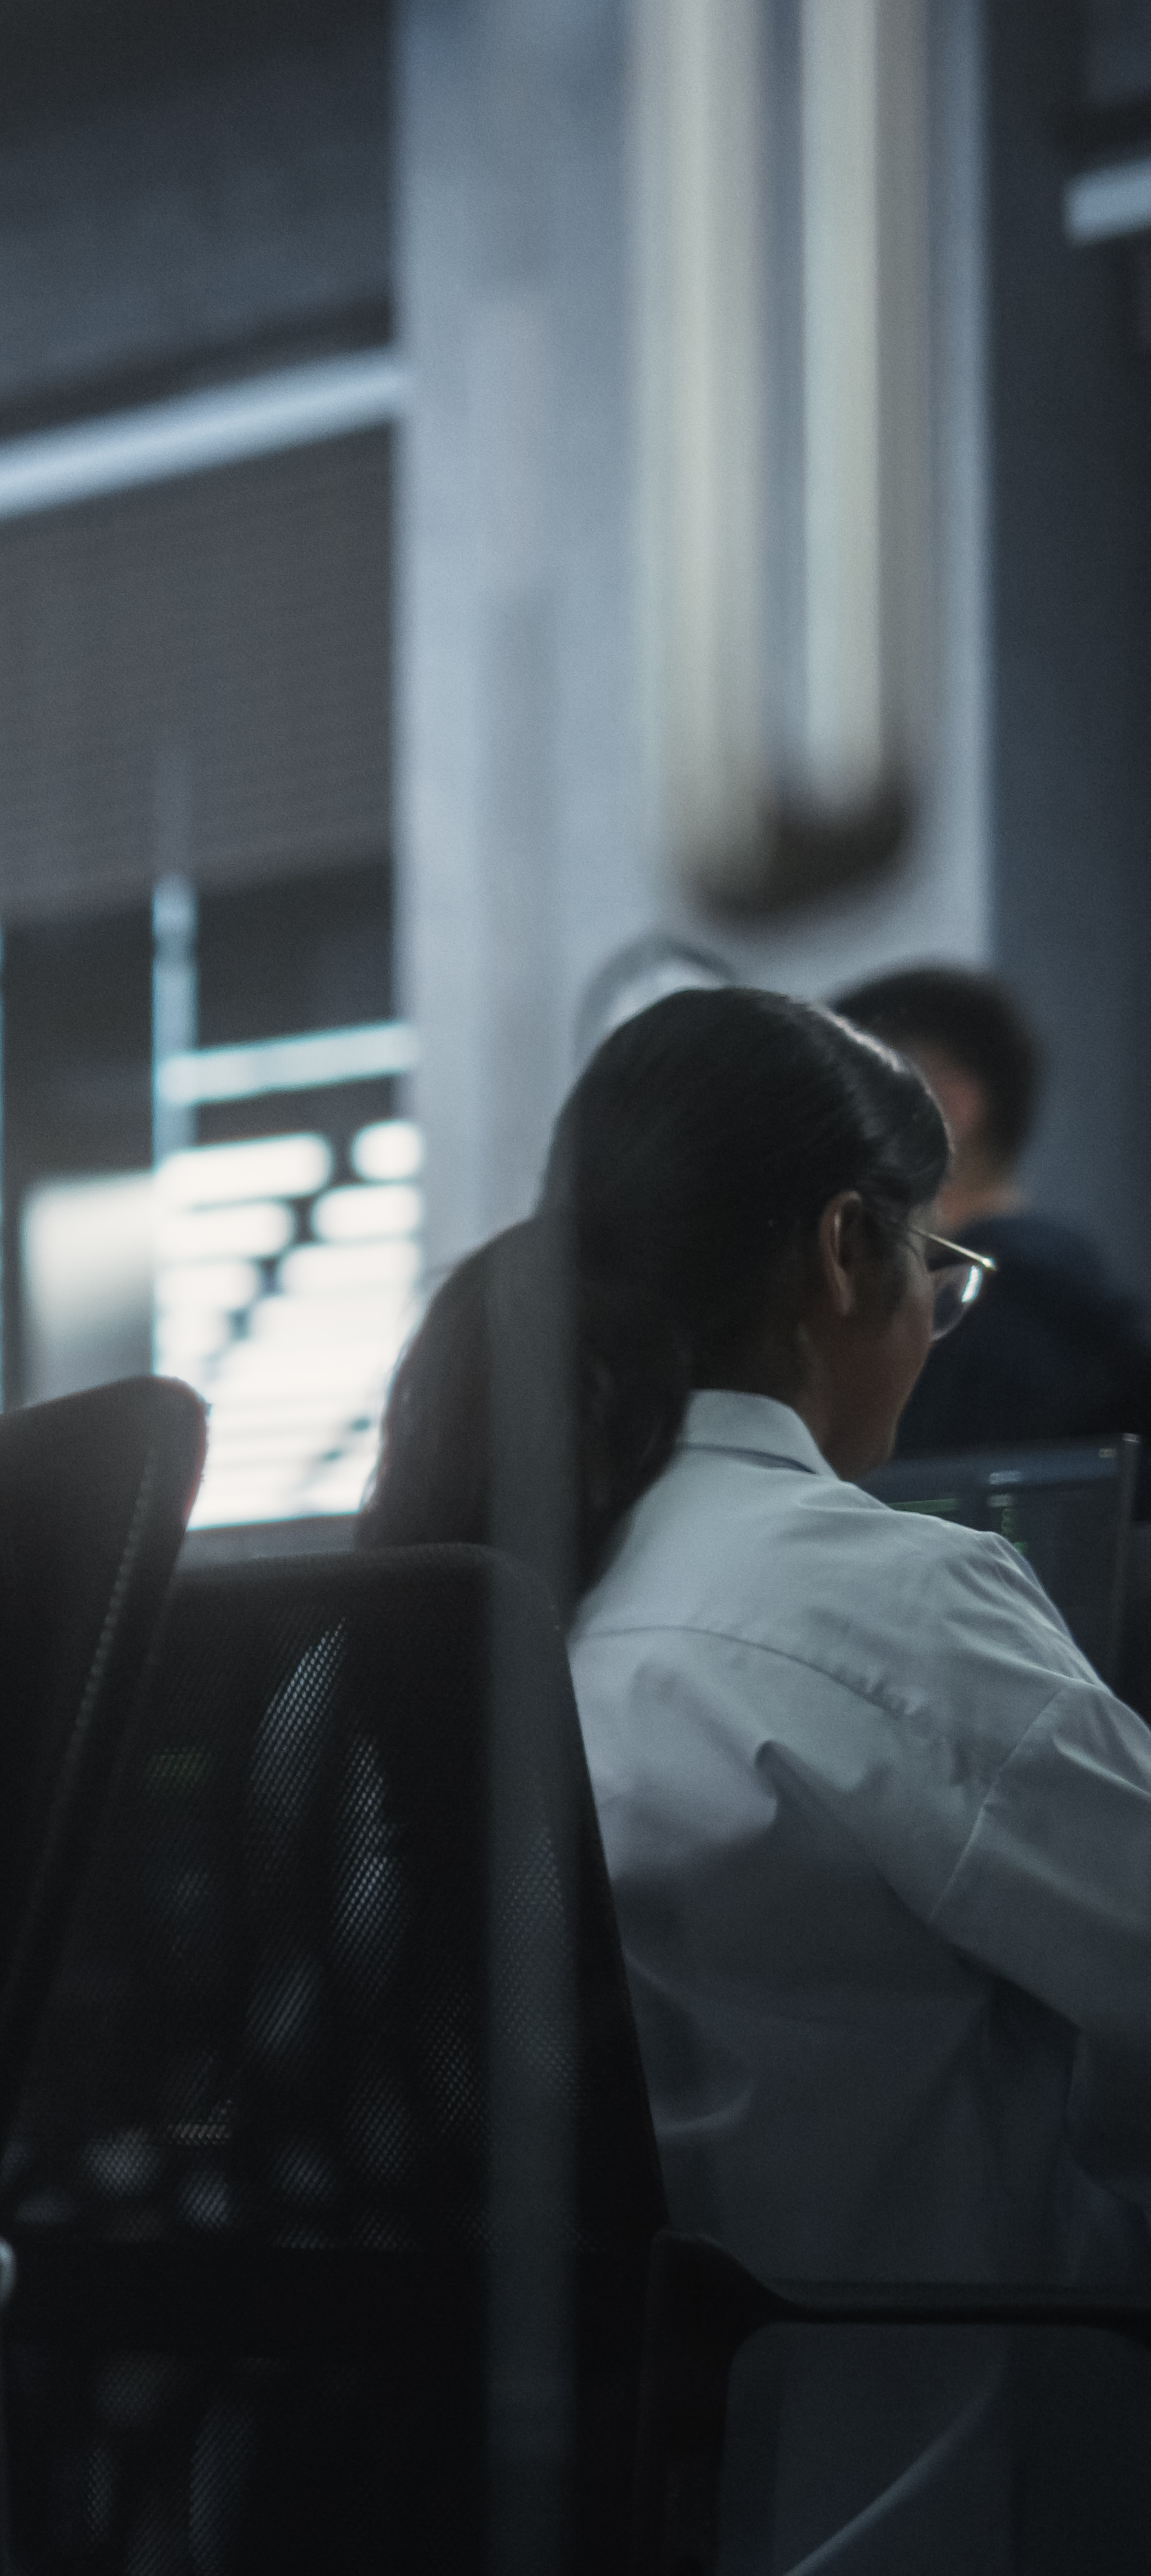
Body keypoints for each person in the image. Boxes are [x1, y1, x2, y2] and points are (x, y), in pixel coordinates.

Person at [361, 985, 1151, 2575]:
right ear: (847, 1247)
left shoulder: (473, 1587)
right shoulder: (884, 1597)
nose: (933, 1324)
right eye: (937, 1270)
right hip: (900, 2522)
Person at [827, 964, 1151, 1475]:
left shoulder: (997, 1313)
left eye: (847, 1104)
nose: (825, 1142)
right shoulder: (1066, 1296)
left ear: (948, 1108)